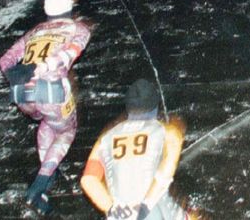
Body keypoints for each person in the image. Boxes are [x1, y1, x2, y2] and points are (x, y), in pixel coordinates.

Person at [0, 0, 92, 215]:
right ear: (70, 6)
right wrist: (44, 68)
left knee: (46, 125)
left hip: (21, 93)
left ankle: (47, 177)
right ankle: (39, 185)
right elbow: (66, 55)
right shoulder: (78, 29)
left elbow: (4, 61)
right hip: (49, 90)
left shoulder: (35, 31)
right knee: (65, 131)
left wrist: (19, 74)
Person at [80, 80, 198, 220]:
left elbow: (88, 180)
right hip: (152, 212)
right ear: (155, 106)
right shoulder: (168, 132)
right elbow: (165, 173)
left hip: (121, 215)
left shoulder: (105, 139)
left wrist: (112, 209)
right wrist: (145, 207)